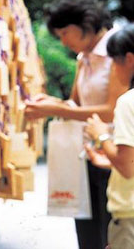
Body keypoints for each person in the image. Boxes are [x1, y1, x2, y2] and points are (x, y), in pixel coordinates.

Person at [25, 0, 128, 249]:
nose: (63, 42)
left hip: (114, 155)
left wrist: (54, 110)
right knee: (88, 237)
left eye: (64, 33)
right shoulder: (84, 58)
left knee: (110, 235)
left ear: (83, 22)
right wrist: (49, 103)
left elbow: (110, 111)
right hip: (88, 155)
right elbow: (77, 105)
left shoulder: (117, 51)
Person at [84, 24, 134, 249]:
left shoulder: (128, 102)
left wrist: (102, 135)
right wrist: (109, 160)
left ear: (130, 59)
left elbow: (127, 166)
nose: (113, 69)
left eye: (114, 61)